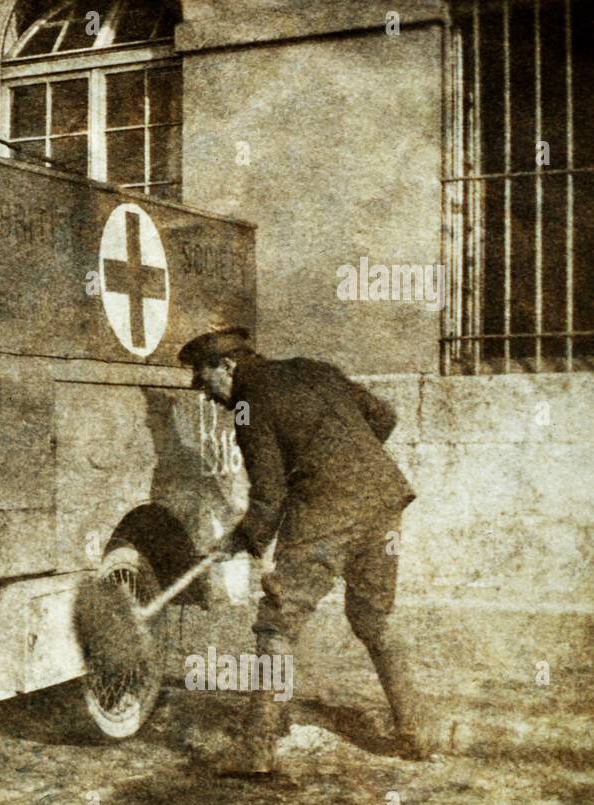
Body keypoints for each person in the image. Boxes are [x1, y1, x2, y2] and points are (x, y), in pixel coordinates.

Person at [177, 326, 436, 773]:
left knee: (277, 623)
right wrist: (343, 460)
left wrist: (244, 538)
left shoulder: (246, 404)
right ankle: (419, 732)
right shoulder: (312, 368)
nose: (204, 393)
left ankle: (255, 747)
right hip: (382, 499)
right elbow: (384, 416)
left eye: (204, 379)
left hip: (325, 511)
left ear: (229, 366)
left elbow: (270, 493)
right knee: (373, 618)